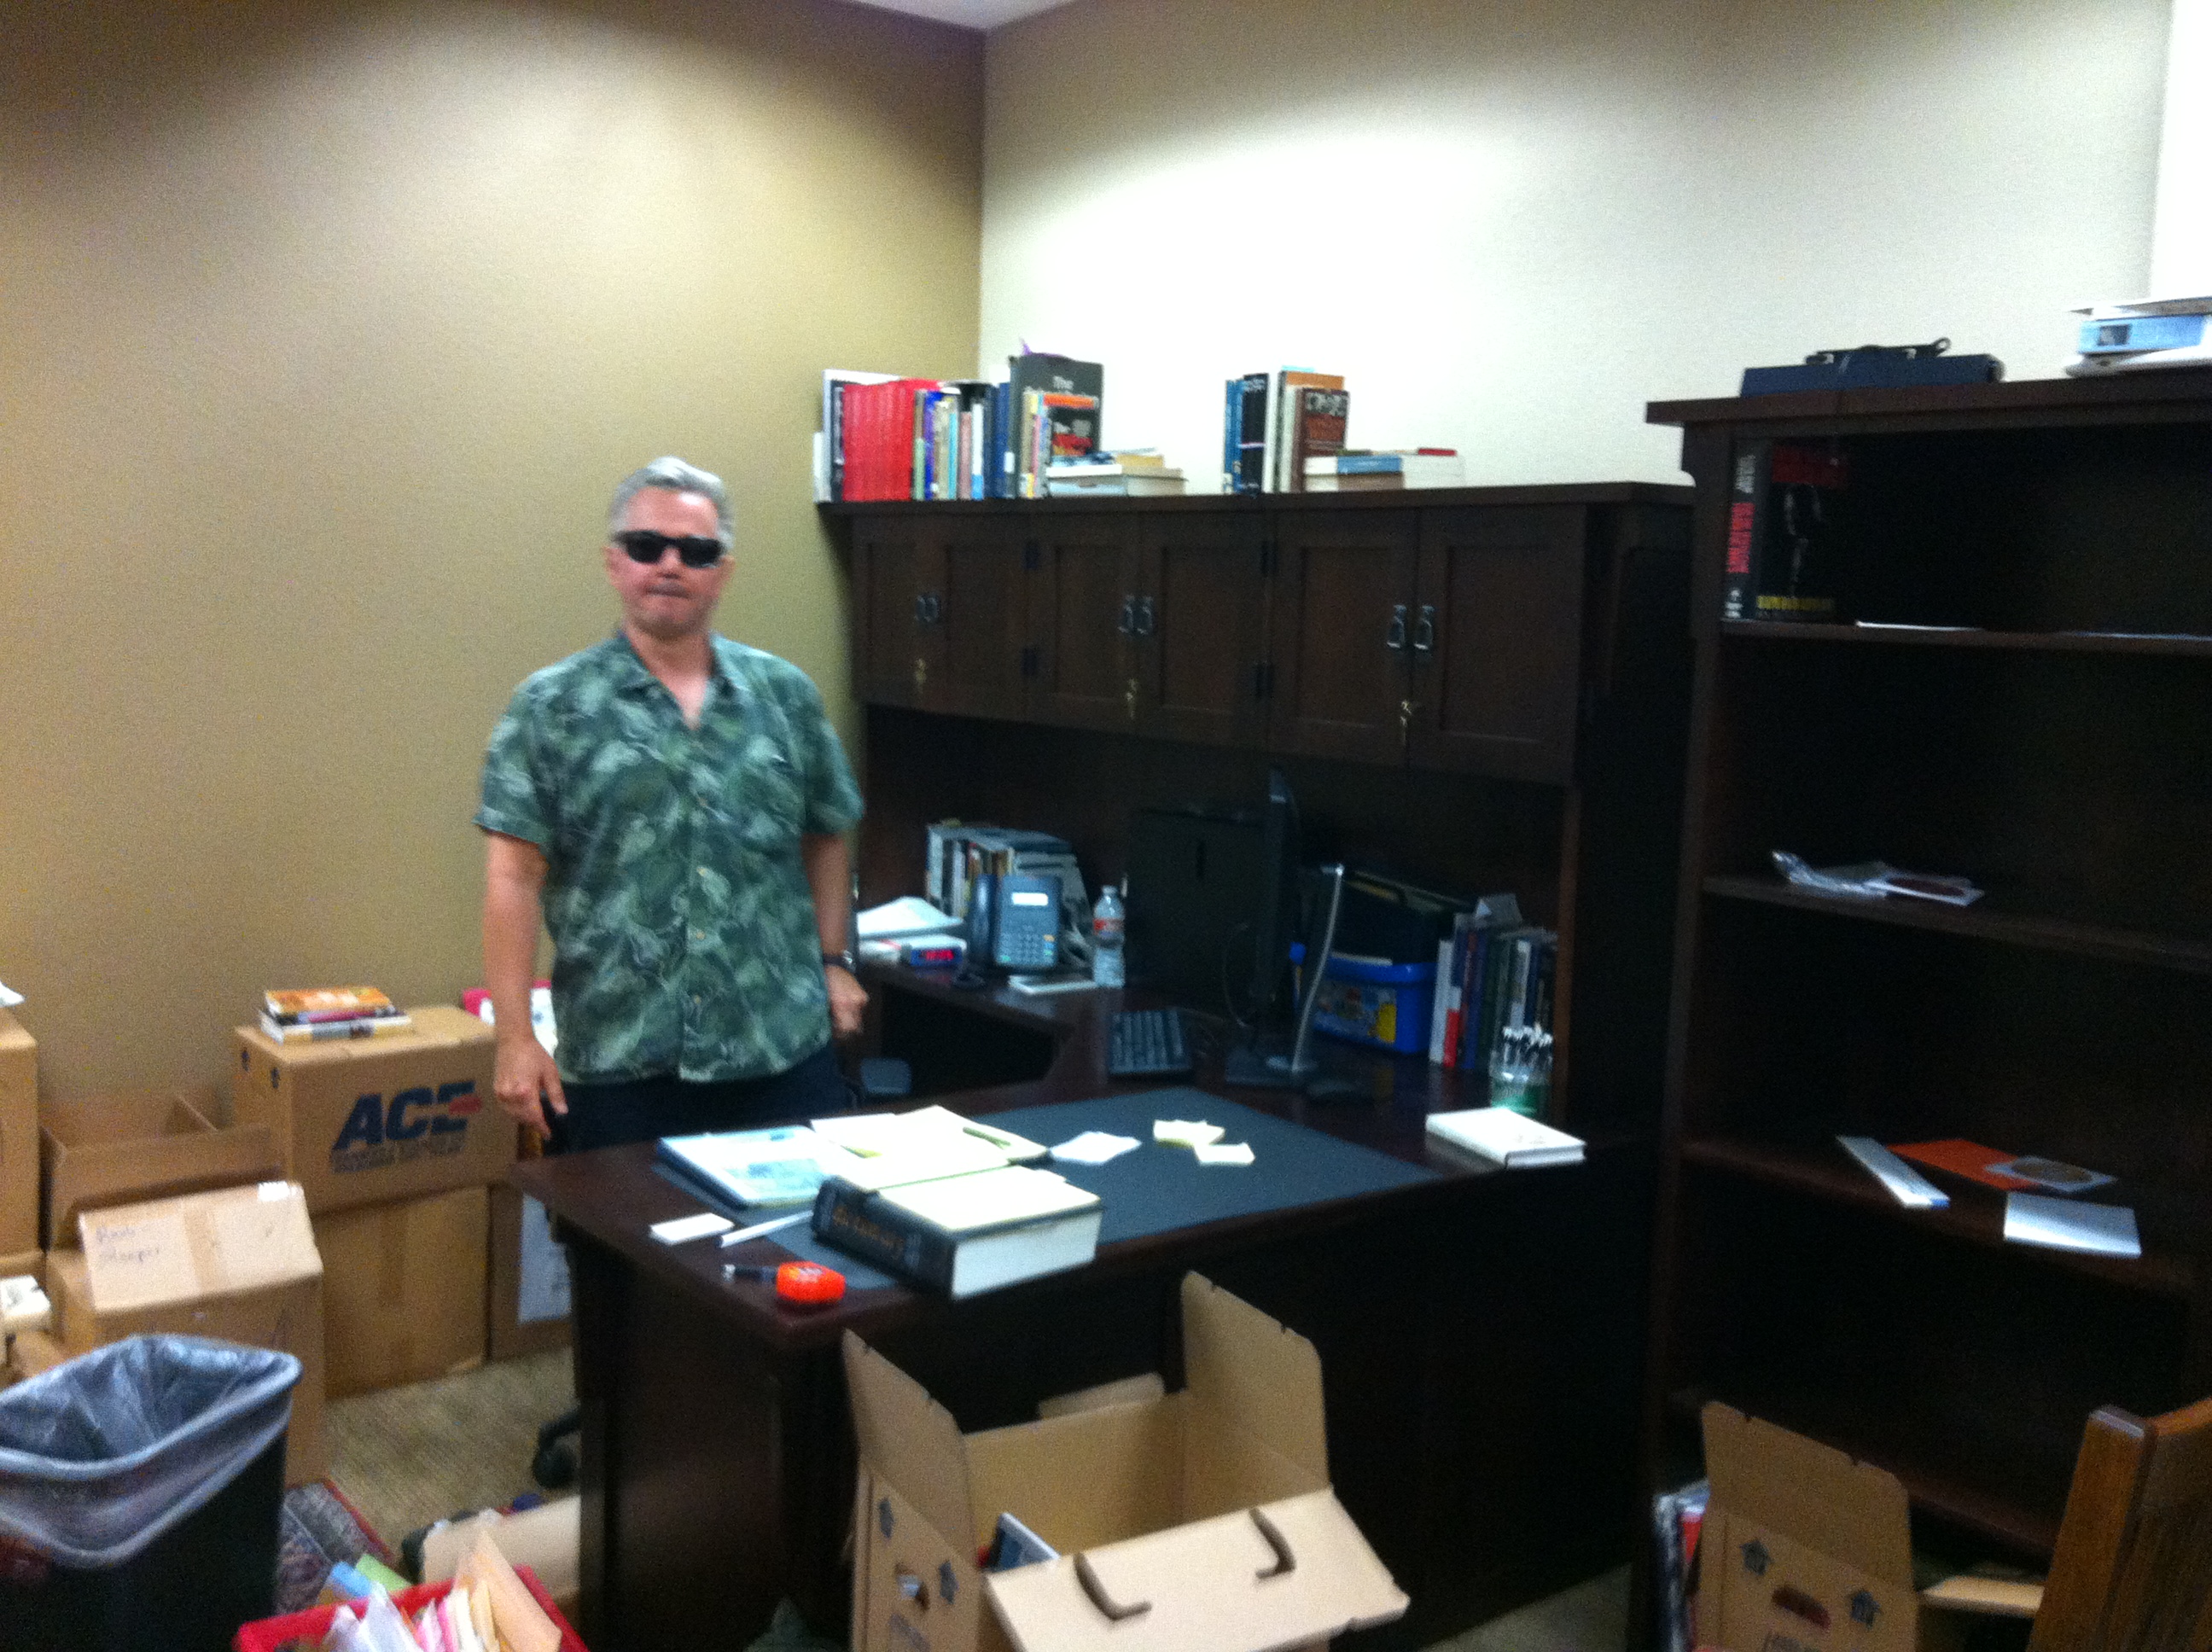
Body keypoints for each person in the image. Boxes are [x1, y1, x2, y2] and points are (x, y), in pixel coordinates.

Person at [474, 456, 866, 1153]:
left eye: (696, 551)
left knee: (796, 1228)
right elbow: (514, 877)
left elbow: (827, 833)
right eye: (646, 546)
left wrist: (834, 960)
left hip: (779, 1051)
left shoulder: (785, 697)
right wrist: (514, 1038)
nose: (670, 565)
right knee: (619, 1229)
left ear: (724, 571)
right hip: (620, 1061)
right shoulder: (550, 708)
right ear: (613, 562)